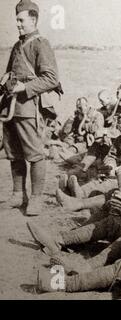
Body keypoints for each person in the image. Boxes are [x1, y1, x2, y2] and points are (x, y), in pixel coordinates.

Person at [1, 0, 61, 216]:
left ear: (33, 20)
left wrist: (24, 87)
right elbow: (10, 74)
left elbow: (51, 78)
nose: (17, 24)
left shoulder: (40, 43)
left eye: (21, 20)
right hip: (11, 108)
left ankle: (36, 199)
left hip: (29, 108)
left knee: (35, 155)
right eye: (16, 20)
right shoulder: (18, 45)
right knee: (14, 154)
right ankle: (18, 195)